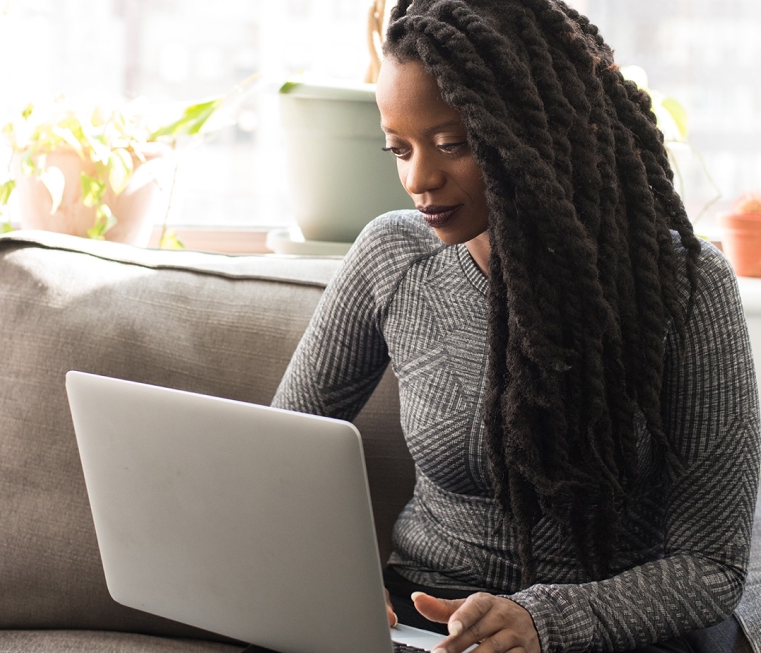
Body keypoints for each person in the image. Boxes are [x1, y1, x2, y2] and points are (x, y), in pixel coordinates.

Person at [272, 1, 761, 651]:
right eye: (399, 148)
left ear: (540, 130)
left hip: (619, 629)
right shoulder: (393, 256)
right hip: (425, 619)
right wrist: (329, 580)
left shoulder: (688, 286)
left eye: (452, 144)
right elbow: (278, 456)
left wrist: (546, 621)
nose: (418, 178)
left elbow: (711, 565)